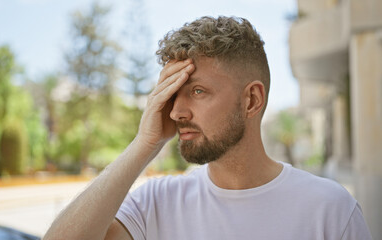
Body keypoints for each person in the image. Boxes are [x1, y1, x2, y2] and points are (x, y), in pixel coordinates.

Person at [44, 16, 372, 240]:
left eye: (197, 91)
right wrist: (144, 144)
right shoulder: (155, 204)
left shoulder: (329, 209)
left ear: (251, 100)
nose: (176, 111)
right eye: (173, 94)